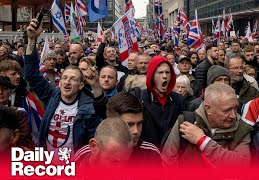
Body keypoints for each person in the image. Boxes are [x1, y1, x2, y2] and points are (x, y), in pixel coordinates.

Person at [24, 19, 101, 154]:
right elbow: (31, 75)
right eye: (64, 78)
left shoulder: (89, 109)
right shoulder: (52, 96)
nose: (66, 82)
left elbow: (93, 146)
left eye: (73, 79)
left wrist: (96, 86)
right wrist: (31, 40)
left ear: (81, 85)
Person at [162, 83, 252, 168]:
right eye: (226, 110)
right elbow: (168, 160)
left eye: (235, 108)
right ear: (208, 109)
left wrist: (203, 141)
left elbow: (241, 165)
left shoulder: (242, 128)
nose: (233, 115)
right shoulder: (185, 121)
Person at [132, 55, 185, 148]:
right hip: (148, 156)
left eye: (167, 72)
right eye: (160, 72)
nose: (165, 76)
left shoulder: (179, 100)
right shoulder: (140, 99)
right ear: (152, 75)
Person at [106, 91, 161, 166]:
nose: (136, 131)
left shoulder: (151, 153)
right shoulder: (90, 152)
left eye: (139, 123)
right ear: (112, 124)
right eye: (129, 124)